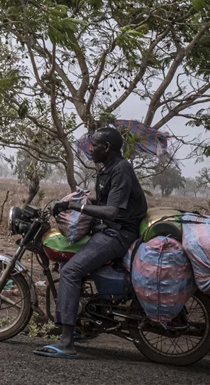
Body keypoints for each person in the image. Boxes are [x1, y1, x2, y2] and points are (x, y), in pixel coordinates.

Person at [34, 127, 147, 359]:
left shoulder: (121, 170)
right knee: (70, 264)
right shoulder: (108, 169)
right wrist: (74, 200)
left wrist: (75, 206)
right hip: (108, 230)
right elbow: (105, 201)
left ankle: (67, 343)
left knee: (70, 271)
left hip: (118, 234)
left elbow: (112, 211)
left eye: (94, 145)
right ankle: (82, 323)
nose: (90, 149)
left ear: (107, 147)